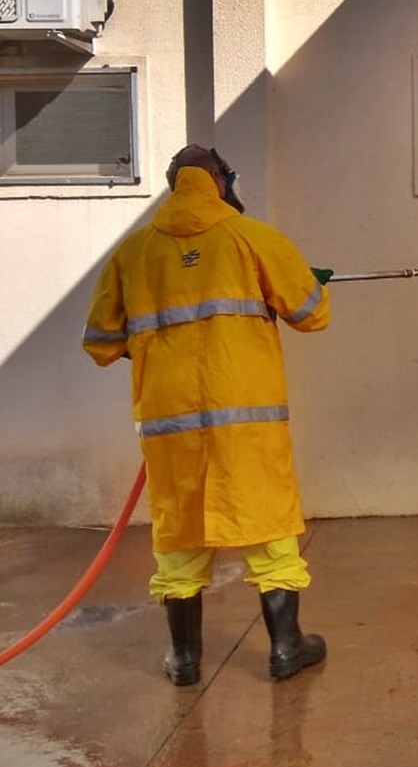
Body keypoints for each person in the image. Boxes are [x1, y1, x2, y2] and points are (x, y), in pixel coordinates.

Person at [82, 145, 331, 685]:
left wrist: (153, 349)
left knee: (179, 530)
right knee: (267, 521)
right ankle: (285, 647)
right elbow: (312, 313)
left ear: (175, 183)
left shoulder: (133, 251)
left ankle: (185, 660)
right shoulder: (253, 237)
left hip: (170, 424)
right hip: (246, 422)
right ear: (219, 180)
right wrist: (306, 282)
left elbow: (100, 342)